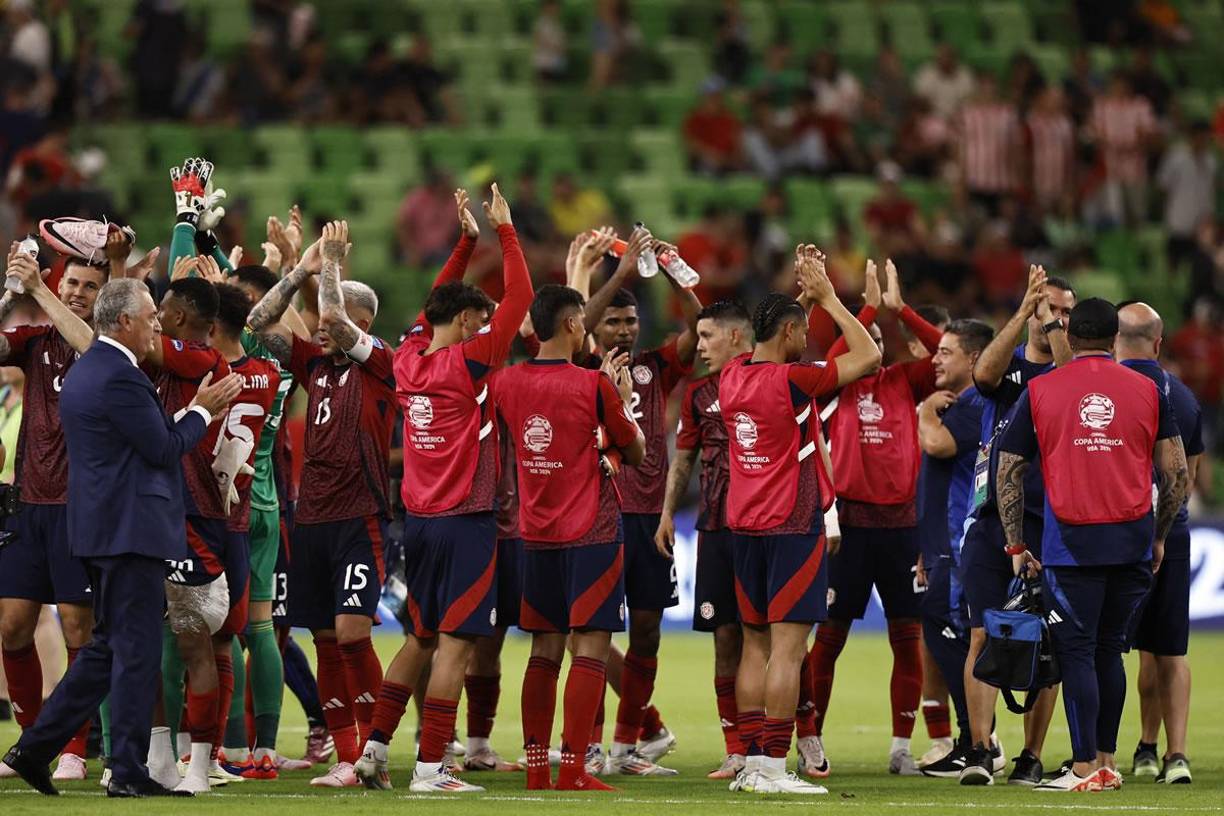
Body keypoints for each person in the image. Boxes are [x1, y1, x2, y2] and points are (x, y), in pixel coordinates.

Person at [2, 278, 240, 798]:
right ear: (125, 321)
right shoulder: (122, 377)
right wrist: (203, 409)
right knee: (136, 652)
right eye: (151, 314)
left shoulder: (92, 370)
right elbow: (161, 449)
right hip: (130, 532)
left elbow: (135, 444)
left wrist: (188, 415)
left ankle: (33, 749)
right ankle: (128, 772)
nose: (157, 322)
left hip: (101, 528)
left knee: (107, 649)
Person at [355, 185, 532, 793]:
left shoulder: (408, 356)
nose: (486, 326)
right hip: (466, 521)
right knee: (455, 645)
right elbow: (523, 298)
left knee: (419, 638)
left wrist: (464, 243)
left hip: (421, 522)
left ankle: (374, 751)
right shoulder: (468, 364)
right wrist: (505, 232)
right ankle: (432, 767)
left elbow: (435, 302)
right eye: (477, 319)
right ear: (463, 322)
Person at [996, 298, 1190, 793]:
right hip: (1132, 542)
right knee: (1110, 651)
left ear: (1073, 337)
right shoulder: (1149, 390)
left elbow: (1009, 467)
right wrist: (1160, 535)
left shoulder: (1041, 390)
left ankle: (1085, 767)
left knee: (1077, 650)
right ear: (1111, 339)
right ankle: (1106, 759)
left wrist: (1016, 542)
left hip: (1072, 543)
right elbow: (1177, 473)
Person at [722, 246, 881, 795]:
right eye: (802, 329)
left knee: (754, 647)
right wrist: (833, 300)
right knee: (789, 650)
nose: (807, 337)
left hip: (744, 526)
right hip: (791, 524)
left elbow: (776, 336)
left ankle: (747, 760)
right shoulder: (795, 380)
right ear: (790, 333)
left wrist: (803, 296)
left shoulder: (732, 376)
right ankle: (770, 767)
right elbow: (867, 357)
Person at [248, 221, 396, 788]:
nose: (317, 327)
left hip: (359, 518)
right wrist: (299, 271)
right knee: (326, 640)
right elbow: (259, 322)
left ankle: (373, 749)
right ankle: (347, 757)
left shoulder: (379, 363)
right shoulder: (316, 366)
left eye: (331, 320)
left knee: (354, 634)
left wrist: (330, 262)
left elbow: (331, 317)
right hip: (311, 519)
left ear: (361, 325)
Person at [495, 284, 645, 792]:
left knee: (543, 651)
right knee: (591, 651)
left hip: (534, 534)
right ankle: (575, 770)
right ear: (572, 325)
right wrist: (621, 402)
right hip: (593, 533)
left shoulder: (507, 384)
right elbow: (638, 450)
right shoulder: (592, 385)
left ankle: (538, 766)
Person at [805, 260, 943, 778]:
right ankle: (812, 739)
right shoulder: (837, 384)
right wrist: (862, 308)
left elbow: (945, 351)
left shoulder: (907, 382)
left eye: (878, 338)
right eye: (867, 338)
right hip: (852, 528)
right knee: (830, 639)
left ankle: (900, 749)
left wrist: (897, 308)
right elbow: (843, 351)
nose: (873, 345)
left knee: (907, 640)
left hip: (903, 528)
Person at [944, 267, 1074, 785]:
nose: (1055, 317)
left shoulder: (1072, 372)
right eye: (1052, 307)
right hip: (992, 520)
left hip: (1053, 522)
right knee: (981, 633)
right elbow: (983, 376)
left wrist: (1055, 328)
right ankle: (979, 749)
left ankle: (1032, 757)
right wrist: (1024, 312)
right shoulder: (1014, 370)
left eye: (1066, 310)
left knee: (1046, 641)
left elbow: (1068, 384)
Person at [582, 228, 701, 776]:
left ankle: (629, 746)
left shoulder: (656, 365)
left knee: (648, 629)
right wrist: (624, 272)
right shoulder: (582, 367)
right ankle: (589, 744)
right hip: (597, 517)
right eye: (615, 322)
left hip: (650, 522)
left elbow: (704, 330)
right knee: (591, 633)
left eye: (630, 321)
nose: (624, 329)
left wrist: (675, 270)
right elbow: (578, 322)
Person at [0, 246, 106, 781]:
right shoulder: (33, 342)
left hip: (78, 510)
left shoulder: (107, 346)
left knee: (77, 632)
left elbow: (90, 346)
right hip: (27, 507)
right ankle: (30, 744)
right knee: (13, 629)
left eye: (89, 286)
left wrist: (37, 289)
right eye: (71, 284)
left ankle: (71, 749)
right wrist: (11, 292)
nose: (76, 293)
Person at [655, 300, 753, 781]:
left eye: (707, 336)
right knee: (725, 637)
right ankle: (737, 748)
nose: (699, 346)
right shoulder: (698, 393)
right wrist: (669, 512)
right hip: (715, 526)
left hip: (768, 527)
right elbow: (685, 457)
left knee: (777, 637)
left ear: (735, 336)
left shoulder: (774, 378)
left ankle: (793, 737)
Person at [1115, 302, 1203, 785]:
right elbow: (1184, 473)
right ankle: (1177, 755)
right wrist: (1164, 535)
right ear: (1158, 342)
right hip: (1172, 531)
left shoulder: (1105, 390)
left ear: (1113, 340)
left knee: (1116, 650)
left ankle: (1135, 749)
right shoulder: (1184, 397)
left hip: (1116, 531)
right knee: (1170, 650)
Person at [201, 283, 282, 782]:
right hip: (262, 502)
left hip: (213, 507)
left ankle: (227, 747)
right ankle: (266, 750)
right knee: (260, 627)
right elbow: (251, 326)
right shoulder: (270, 371)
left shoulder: (203, 370)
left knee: (213, 627)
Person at [914, 320, 993, 768]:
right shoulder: (966, 403)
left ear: (975, 360)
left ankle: (976, 740)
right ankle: (974, 738)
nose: (935, 359)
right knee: (946, 629)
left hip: (958, 539)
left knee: (949, 629)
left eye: (946, 352)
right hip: (942, 540)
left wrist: (924, 411)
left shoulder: (970, 404)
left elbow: (938, 446)